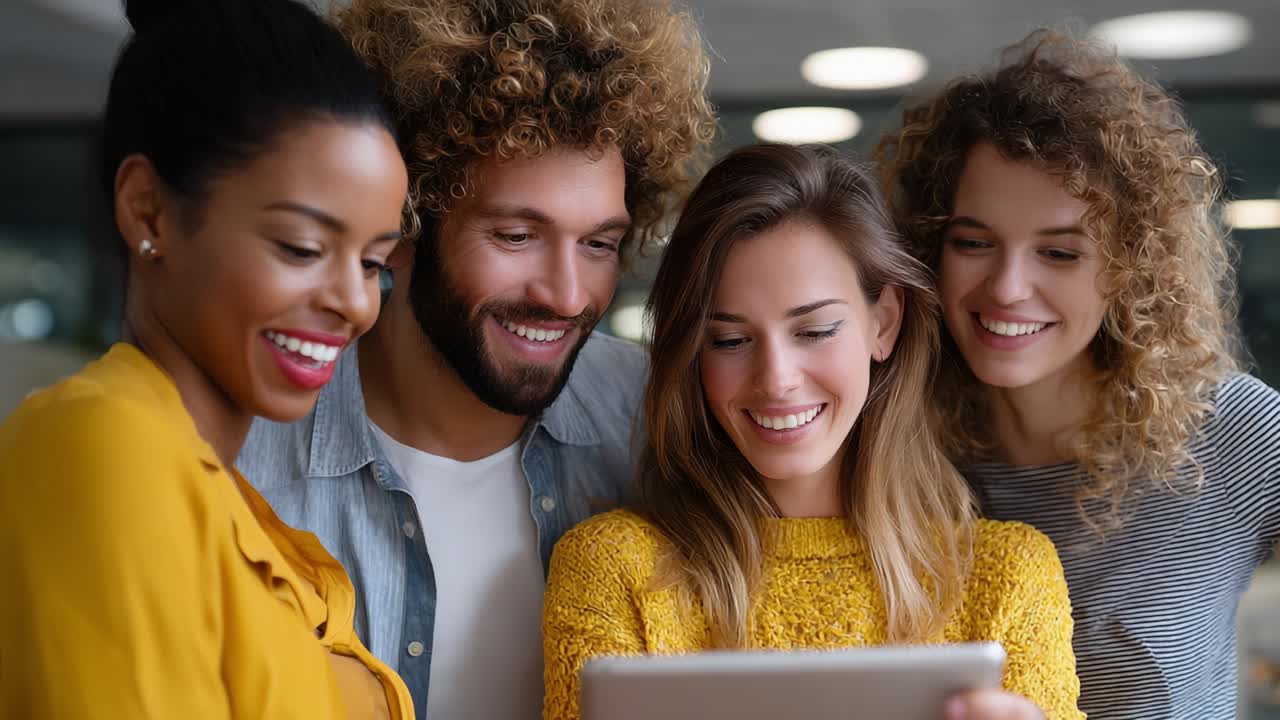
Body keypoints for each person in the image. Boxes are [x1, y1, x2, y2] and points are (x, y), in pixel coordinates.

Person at [236, 0, 717, 717]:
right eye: (518, 235)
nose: (566, 294)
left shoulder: (659, 422)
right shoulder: (246, 461)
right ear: (399, 223)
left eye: (599, 244)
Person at [542, 143, 1084, 720]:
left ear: (884, 322)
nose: (776, 380)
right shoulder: (614, 569)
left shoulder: (1006, 578)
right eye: (729, 340)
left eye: (815, 330)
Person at [0, 0, 412, 717]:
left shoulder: (238, 514)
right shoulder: (104, 448)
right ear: (149, 211)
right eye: (302, 248)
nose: (355, 302)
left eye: (375, 262)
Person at [877, 29, 1280, 719]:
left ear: (1129, 268)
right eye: (973, 243)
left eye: (1059, 254)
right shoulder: (892, 448)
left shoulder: (1228, 435)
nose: (1007, 288)